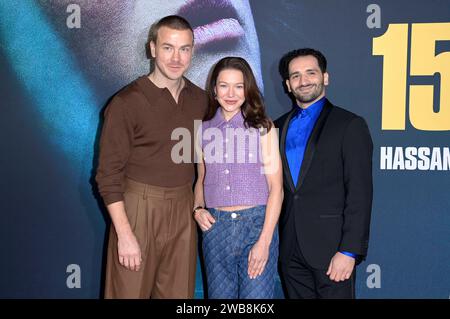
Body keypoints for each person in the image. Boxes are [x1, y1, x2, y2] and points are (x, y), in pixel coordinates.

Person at [95, 15, 207, 299]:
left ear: (192, 51)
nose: (176, 57)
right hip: (137, 211)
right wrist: (125, 234)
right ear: (152, 48)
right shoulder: (126, 102)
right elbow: (108, 176)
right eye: (168, 47)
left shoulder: (201, 100)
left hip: (183, 211)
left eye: (184, 48)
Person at [274, 48, 373, 299]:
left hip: (332, 252)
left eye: (310, 72)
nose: (303, 80)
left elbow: (360, 193)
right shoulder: (276, 127)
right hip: (290, 251)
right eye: (295, 76)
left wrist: (349, 251)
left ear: (325, 77)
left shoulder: (349, 125)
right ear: (287, 84)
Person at [193, 57, 283, 298]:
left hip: (256, 226)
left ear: (248, 89)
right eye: (224, 85)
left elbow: (277, 189)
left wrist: (264, 241)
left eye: (239, 86)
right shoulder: (202, 130)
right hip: (216, 229)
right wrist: (198, 208)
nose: (231, 93)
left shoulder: (263, 127)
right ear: (214, 89)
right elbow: (201, 177)